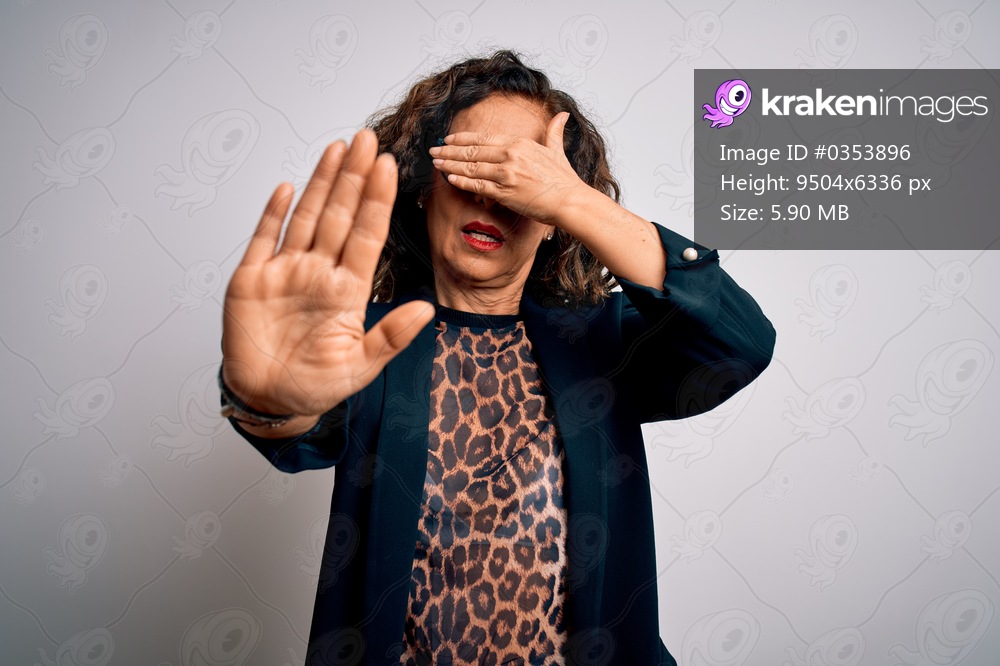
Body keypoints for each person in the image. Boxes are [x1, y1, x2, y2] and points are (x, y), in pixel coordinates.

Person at [219, 50, 775, 666]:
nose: (493, 196)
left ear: (553, 222)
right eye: (472, 166)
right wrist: (271, 404)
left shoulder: (604, 345)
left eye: (521, 176)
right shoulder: (362, 343)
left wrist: (577, 201)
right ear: (424, 189)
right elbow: (300, 434)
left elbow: (739, 343)